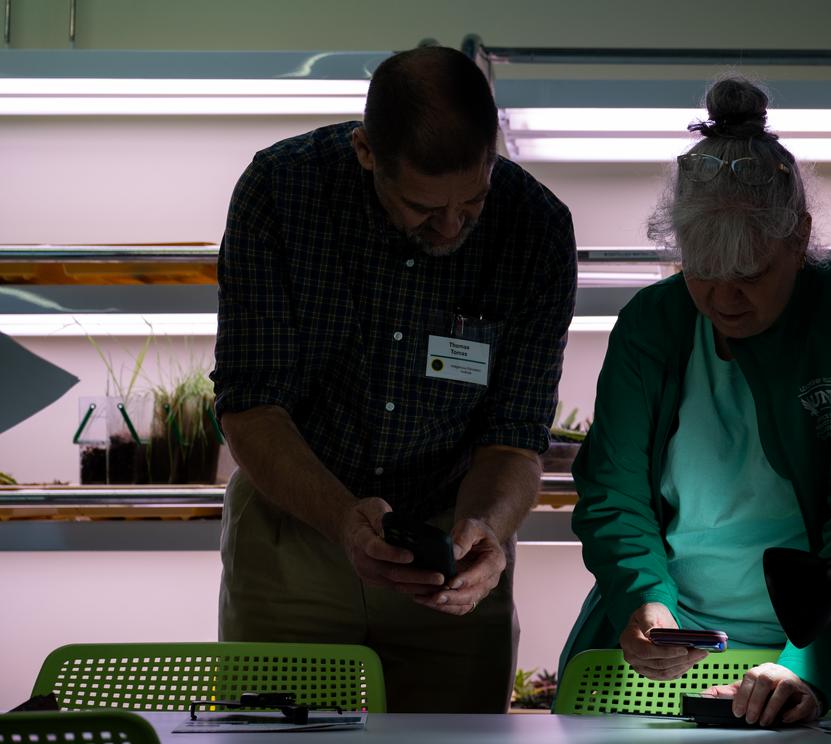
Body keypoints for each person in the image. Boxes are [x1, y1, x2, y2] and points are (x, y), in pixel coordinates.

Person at [559, 76, 831, 726]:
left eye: (750, 274)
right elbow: (613, 494)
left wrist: (808, 665)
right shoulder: (649, 325)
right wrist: (643, 601)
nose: (725, 299)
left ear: (800, 239)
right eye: (702, 271)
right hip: (678, 651)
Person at [212, 45, 577, 713]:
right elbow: (251, 406)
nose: (450, 227)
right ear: (366, 152)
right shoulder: (281, 192)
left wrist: (487, 532)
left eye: (471, 202)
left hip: (449, 550)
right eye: (421, 207)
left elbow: (512, 440)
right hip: (296, 534)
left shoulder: (537, 229)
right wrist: (341, 521)